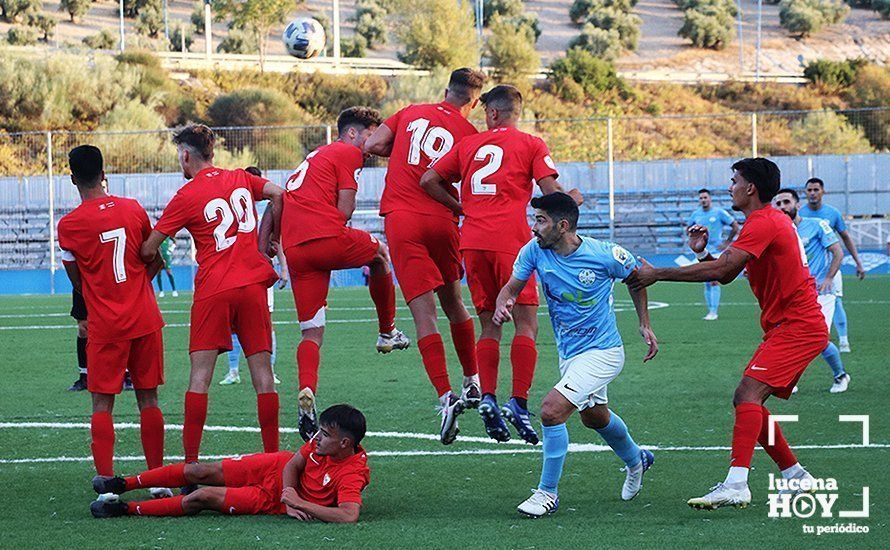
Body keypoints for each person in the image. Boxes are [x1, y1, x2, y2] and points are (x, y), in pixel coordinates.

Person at [626, 158, 828, 510]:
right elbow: (726, 271)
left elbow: (722, 270)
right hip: (792, 325)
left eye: (734, 181)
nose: (729, 187)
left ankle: (737, 483)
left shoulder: (765, 221)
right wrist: (702, 253)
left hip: (798, 325)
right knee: (749, 398)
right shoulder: (763, 222)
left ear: (750, 188)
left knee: (748, 393)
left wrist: (657, 273)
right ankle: (796, 476)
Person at [420, 84, 583, 445]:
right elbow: (550, 194)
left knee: (488, 324)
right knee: (526, 323)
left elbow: (428, 178)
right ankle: (518, 401)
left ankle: (489, 396)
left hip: (473, 242)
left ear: (491, 113)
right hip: (512, 243)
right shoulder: (530, 144)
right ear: (514, 112)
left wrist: (460, 208)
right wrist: (573, 198)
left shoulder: (468, 145)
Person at [493, 192, 658, 517]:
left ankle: (546, 493)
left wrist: (644, 324)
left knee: (551, 411)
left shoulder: (604, 254)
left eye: (540, 220)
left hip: (605, 352)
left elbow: (638, 278)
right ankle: (636, 458)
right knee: (594, 417)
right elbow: (511, 287)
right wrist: (503, 303)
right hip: (570, 355)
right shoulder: (534, 251)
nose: (533, 227)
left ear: (563, 225)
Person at [141, 124, 283, 464]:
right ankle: (274, 460)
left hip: (214, 288)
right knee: (263, 376)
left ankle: (190, 463)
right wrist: (267, 242)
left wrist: (148, 255)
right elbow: (279, 194)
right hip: (251, 286)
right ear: (213, 154)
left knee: (200, 377)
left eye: (179, 157)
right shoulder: (240, 178)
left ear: (186, 155)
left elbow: (149, 248)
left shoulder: (185, 196)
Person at [363, 68, 486, 445]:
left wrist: (399, 152)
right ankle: (474, 380)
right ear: (475, 102)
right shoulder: (471, 135)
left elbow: (372, 145)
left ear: (446, 90)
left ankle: (446, 397)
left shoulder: (411, 111)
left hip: (402, 219)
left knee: (423, 315)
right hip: (441, 219)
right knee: (455, 304)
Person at [281, 107, 409, 442]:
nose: (375, 142)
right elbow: (346, 209)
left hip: (295, 249)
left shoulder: (315, 156)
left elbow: (281, 199)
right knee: (380, 254)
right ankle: (387, 332)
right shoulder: (348, 152)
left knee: (311, 332)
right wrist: (339, 235)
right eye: (371, 134)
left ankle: (307, 389)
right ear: (353, 133)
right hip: (321, 235)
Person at [58, 145, 168, 496]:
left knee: (102, 403)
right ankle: (157, 480)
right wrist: (136, 287)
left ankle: (106, 484)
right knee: (148, 400)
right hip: (145, 317)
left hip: (106, 324)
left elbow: (77, 280)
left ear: (73, 178)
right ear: (104, 173)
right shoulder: (133, 209)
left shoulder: (69, 225)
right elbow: (154, 257)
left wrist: (103, 293)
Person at [90, 404, 370, 523]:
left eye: (325, 434)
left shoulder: (352, 473)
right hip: (274, 468)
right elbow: (292, 465)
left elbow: (348, 515)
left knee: (201, 496)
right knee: (198, 470)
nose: (317, 437)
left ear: (345, 443)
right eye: (319, 431)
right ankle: (122, 483)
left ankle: (126, 509)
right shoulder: (322, 444)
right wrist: (291, 493)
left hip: (271, 500)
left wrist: (295, 503)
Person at [773, 188, 850, 393]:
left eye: (786, 202)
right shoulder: (779, 231)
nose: (782, 207)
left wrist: (828, 278)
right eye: (778, 204)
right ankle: (790, 379)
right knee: (790, 336)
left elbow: (837, 253)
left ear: (797, 205)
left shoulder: (817, 225)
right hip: (794, 295)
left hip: (821, 293)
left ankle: (841, 376)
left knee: (818, 338)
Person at [221, 166, 285, 387]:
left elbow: (278, 241)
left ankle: (271, 370)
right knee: (232, 324)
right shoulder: (237, 207)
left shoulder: (269, 208)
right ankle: (233, 371)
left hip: (261, 273)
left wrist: (283, 269)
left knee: (267, 322)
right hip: (238, 273)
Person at [800, 177, 865, 352]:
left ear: (823, 192)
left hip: (831, 269)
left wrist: (858, 262)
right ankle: (811, 338)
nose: (812, 193)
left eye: (816, 190)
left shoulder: (833, 213)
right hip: (807, 271)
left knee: (836, 303)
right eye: (809, 190)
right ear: (805, 193)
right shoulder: (800, 215)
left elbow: (845, 238)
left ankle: (843, 341)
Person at [685, 188, 739, 320]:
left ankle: (713, 312)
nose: (703, 200)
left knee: (714, 280)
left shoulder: (719, 212)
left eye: (705, 197)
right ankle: (711, 310)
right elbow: (688, 229)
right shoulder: (696, 214)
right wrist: (693, 237)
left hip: (716, 251)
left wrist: (727, 242)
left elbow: (735, 226)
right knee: (706, 280)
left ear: (710, 199)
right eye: (701, 198)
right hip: (702, 251)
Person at [67, 288, 89, 391]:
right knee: (84, 328)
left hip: (117, 282)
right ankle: (85, 376)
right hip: (86, 281)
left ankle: (126, 374)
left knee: (120, 325)